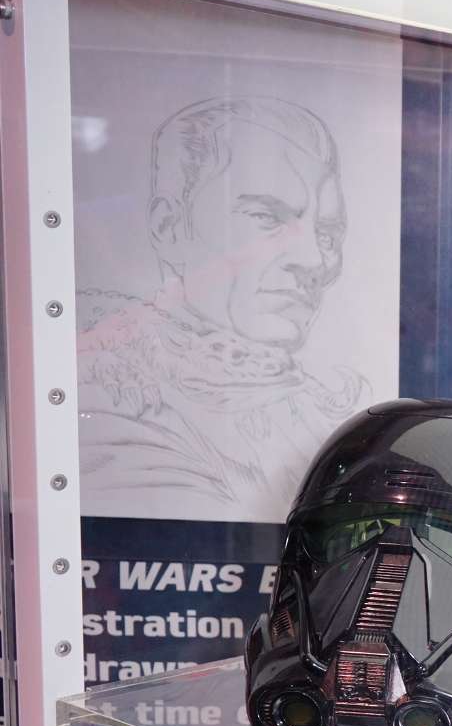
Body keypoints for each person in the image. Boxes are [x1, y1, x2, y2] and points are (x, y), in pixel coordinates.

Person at [78, 95, 365, 521]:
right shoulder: (111, 399)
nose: (313, 260)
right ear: (169, 227)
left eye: (327, 235)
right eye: (268, 218)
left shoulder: (321, 408)